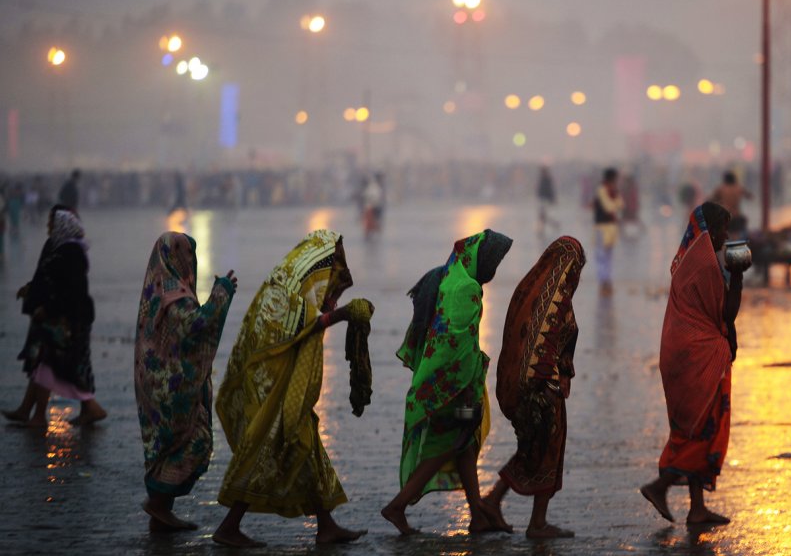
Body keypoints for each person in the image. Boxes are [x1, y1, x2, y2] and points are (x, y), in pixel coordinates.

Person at [213, 230, 373, 548]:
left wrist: (341, 310)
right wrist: (341, 314)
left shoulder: (292, 283)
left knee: (306, 444)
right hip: (272, 387)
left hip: (285, 384)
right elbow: (298, 325)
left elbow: (314, 310)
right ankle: (229, 526)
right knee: (268, 447)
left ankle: (326, 526)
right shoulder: (283, 290)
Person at [382, 229, 513, 535]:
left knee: (464, 445)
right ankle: (397, 506)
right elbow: (459, 344)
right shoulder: (465, 288)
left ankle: (478, 516)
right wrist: (468, 391)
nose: (495, 269)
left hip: (437, 381)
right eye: (494, 261)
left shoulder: (451, 277)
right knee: (447, 444)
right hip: (452, 388)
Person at [640, 202, 746, 525]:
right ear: (709, 231)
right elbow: (725, 313)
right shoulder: (704, 265)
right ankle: (660, 487)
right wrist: (738, 275)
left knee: (694, 427)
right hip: (697, 356)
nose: (725, 236)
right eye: (722, 230)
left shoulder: (691, 261)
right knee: (702, 429)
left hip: (683, 354)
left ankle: (697, 508)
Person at [482, 236, 586, 538]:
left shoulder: (530, 290)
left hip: (524, 383)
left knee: (532, 448)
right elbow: (550, 337)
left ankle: (495, 501)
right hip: (541, 387)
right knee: (545, 448)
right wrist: (552, 379)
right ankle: (535, 522)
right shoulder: (554, 299)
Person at [134, 233, 237, 532]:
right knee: (195, 439)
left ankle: (161, 512)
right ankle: (158, 504)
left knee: (165, 445)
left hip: (153, 381)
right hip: (170, 385)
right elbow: (196, 325)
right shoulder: (172, 291)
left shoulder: (157, 287)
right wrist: (221, 293)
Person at [3, 207, 106, 427]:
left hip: (65, 318)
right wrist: (32, 291)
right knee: (50, 364)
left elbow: (68, 289)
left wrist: (48, 308)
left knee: (50, 365)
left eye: (52, 224)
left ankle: (39, 415)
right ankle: (30, 410)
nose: (48, 227)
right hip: (60, 317)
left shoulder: (70, 253)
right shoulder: (60, 248)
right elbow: (47, 279)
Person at [592, 168, 623, 296]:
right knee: (601, 257)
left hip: (610, 228)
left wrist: (614, 202)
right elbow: (609, 206)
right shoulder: (602, 190)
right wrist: (614, 202)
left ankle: (606, 282)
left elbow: (620, 204)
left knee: (607, 257)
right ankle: (603, 282)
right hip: (601, 227)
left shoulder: (612, 191)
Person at [708, 172, 752, 239]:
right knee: (738, 236)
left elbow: (711, 199)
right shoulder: (739, 188)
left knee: (725, 237)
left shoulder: (721, 189)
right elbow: (750, 196)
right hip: (737, 216)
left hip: (726, 217)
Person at [536, 165, 559, 236]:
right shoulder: (543, 178)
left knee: (543, 215)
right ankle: (553, 224)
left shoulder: (546, 179)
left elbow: (549, 190)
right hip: (542, 199)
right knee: (543, 215)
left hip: (545, 199)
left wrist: (552, 198)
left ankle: (551, 226)